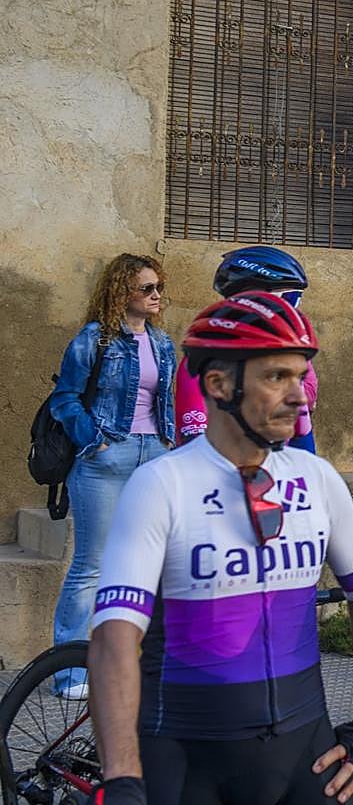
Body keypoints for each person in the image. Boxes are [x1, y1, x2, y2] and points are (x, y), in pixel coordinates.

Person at [86, 292, 353, 805]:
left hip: (306, 753)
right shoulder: (161, 485)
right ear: (219, 384)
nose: (301, 397)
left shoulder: (317, 479)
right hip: (186, 759)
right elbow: (113, 639)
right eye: (277, 377)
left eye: (301, 376)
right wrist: (122, 778)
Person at [47, 253, 176, 699]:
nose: (157, 295)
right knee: (90, 567)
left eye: (159, 287)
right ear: (122, 291)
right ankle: (71, 674)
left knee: (149, 564)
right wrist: (94, 440)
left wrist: (168, 443)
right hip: (106, 459)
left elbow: (165, 403)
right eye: (147, 288)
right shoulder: (94, 339)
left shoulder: (162, 343)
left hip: (153, 457)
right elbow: (64, 399)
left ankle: (134, 664)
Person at [175, 246, 318, 452]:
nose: (294, 309)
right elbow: (194, 450)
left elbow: (303, 432)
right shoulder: (204, 360)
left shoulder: (294, 354)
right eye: (291, 298)